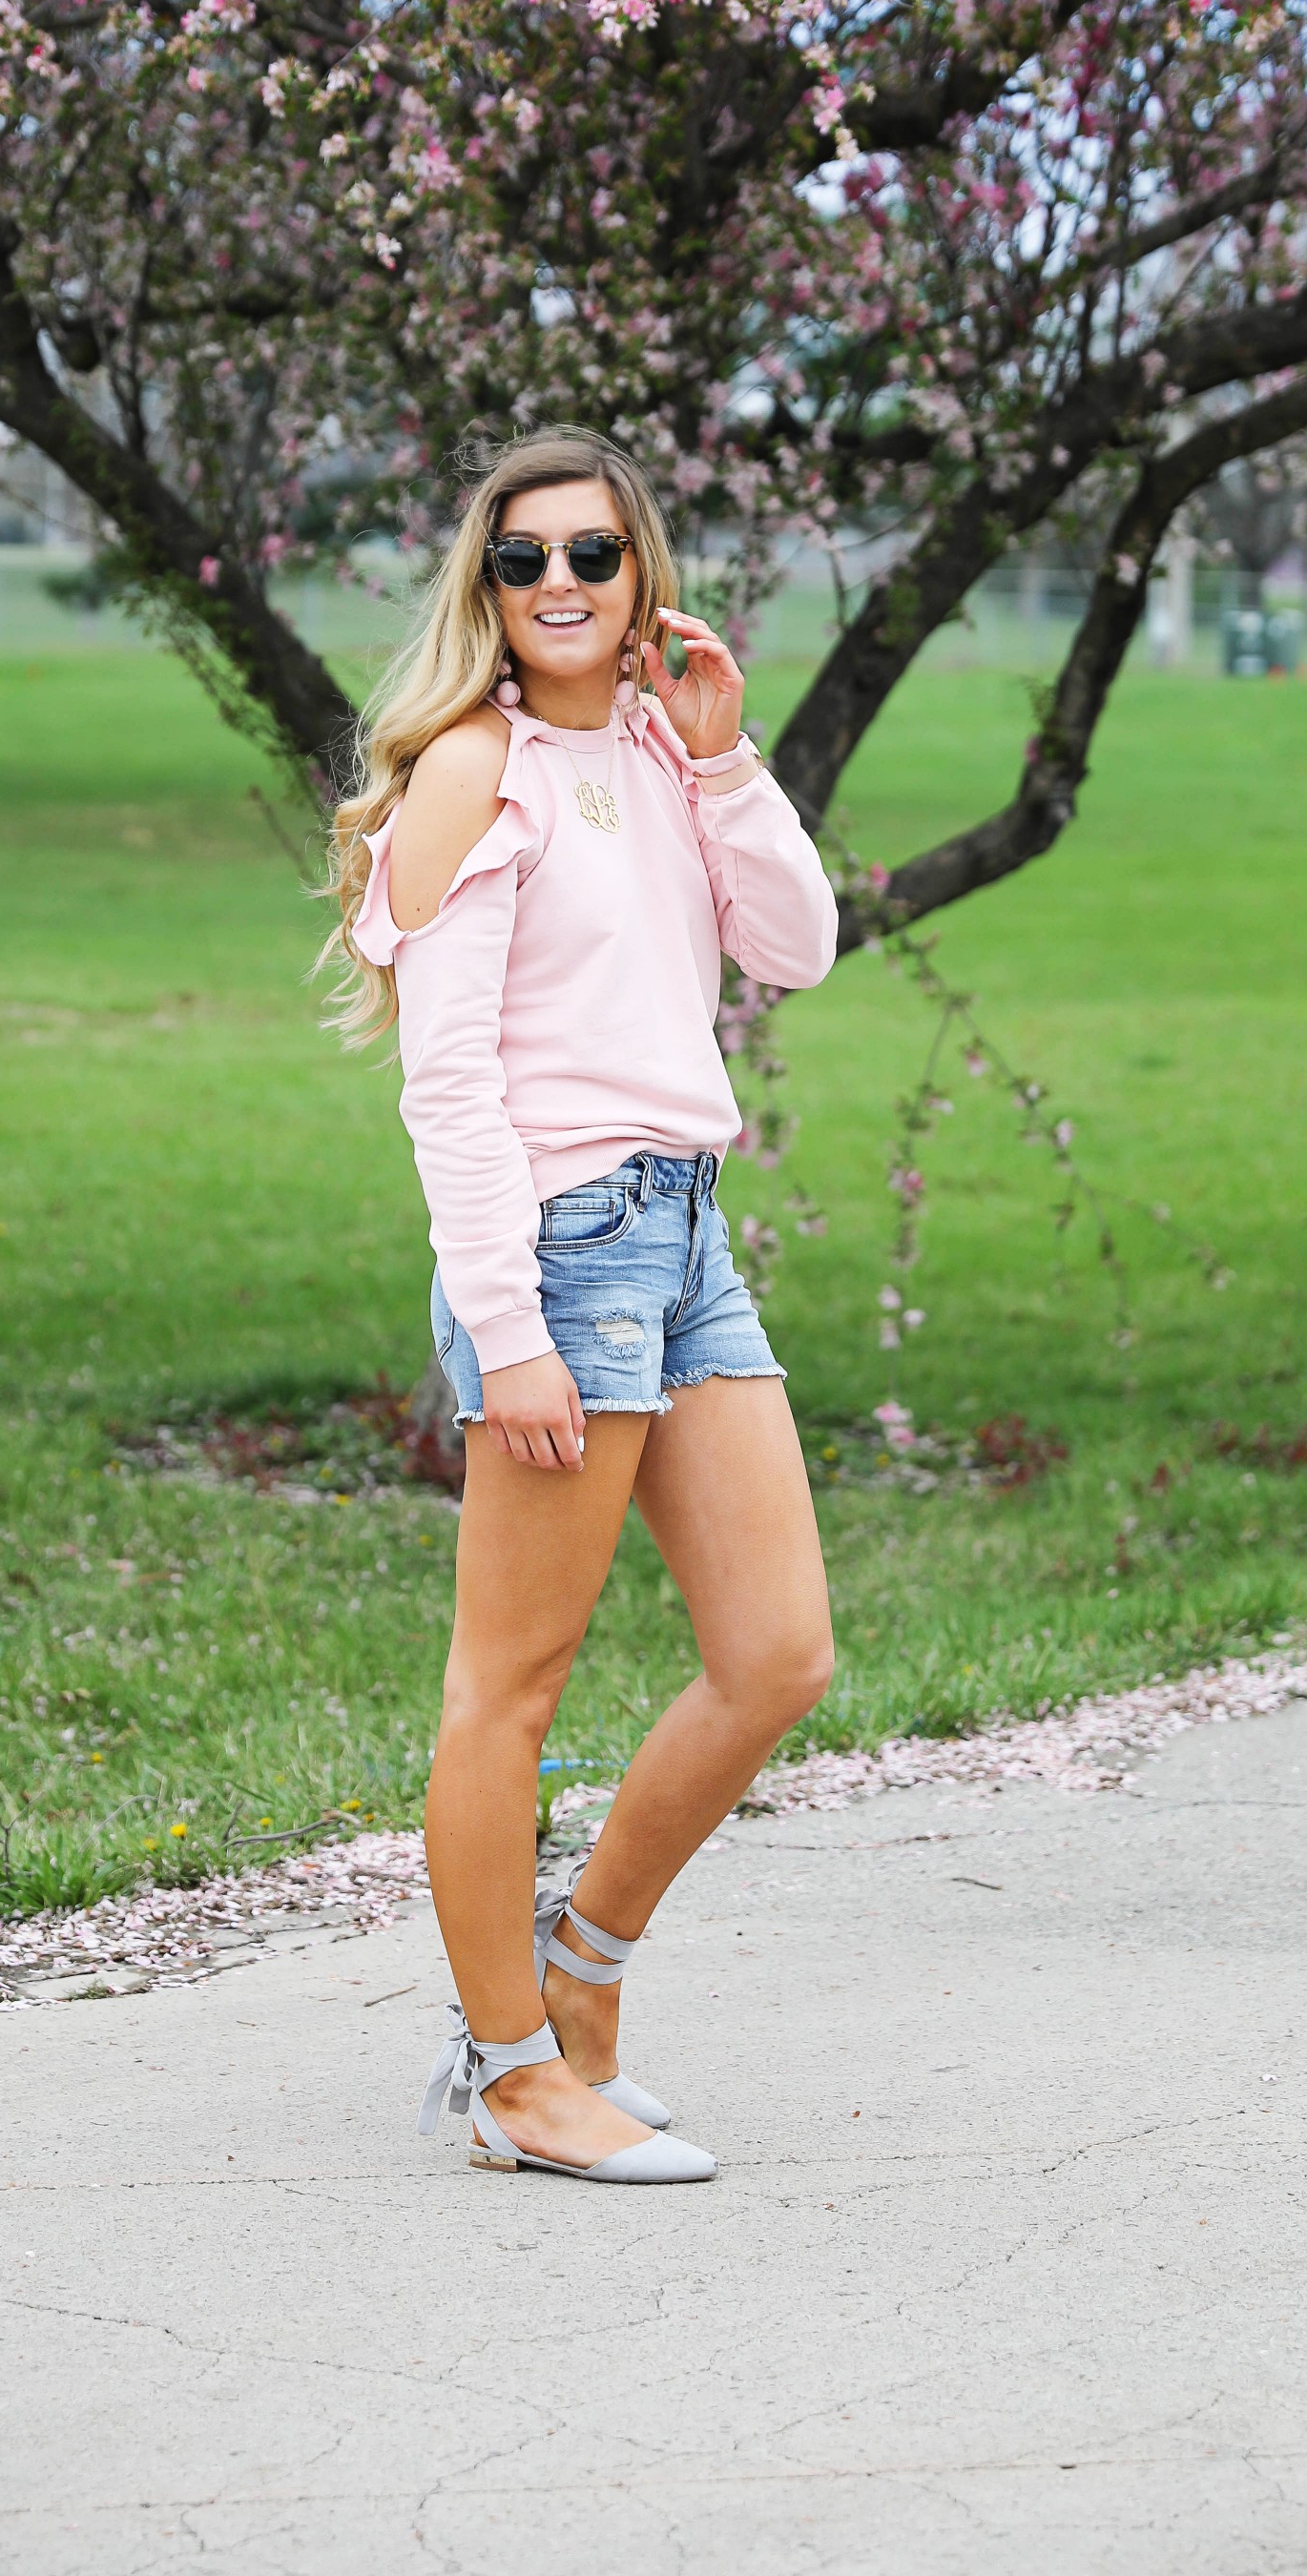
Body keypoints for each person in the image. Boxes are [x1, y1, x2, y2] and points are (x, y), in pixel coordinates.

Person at [322, 427, 841, 2183]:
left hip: (686, 1232)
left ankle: (584, 1972)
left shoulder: (653, 750)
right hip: (560, 1244)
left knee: (777, 1654)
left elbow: (798, 946)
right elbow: (446, 1083)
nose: (559, 585)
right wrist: (512, 1325)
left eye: (593, 557)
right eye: (524, 560)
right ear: (488, 588)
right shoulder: (474, 775)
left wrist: (726, 760)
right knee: (512, 1687)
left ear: (643, 582)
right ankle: (507, 2072)